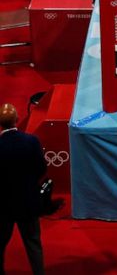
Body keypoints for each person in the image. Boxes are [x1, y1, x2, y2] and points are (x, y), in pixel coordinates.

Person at [0, 104, 46, 275]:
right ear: (17, 120)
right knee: (33, 243)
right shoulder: (32, 141)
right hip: (28, 202)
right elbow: (41, 169)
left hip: (3, 206)